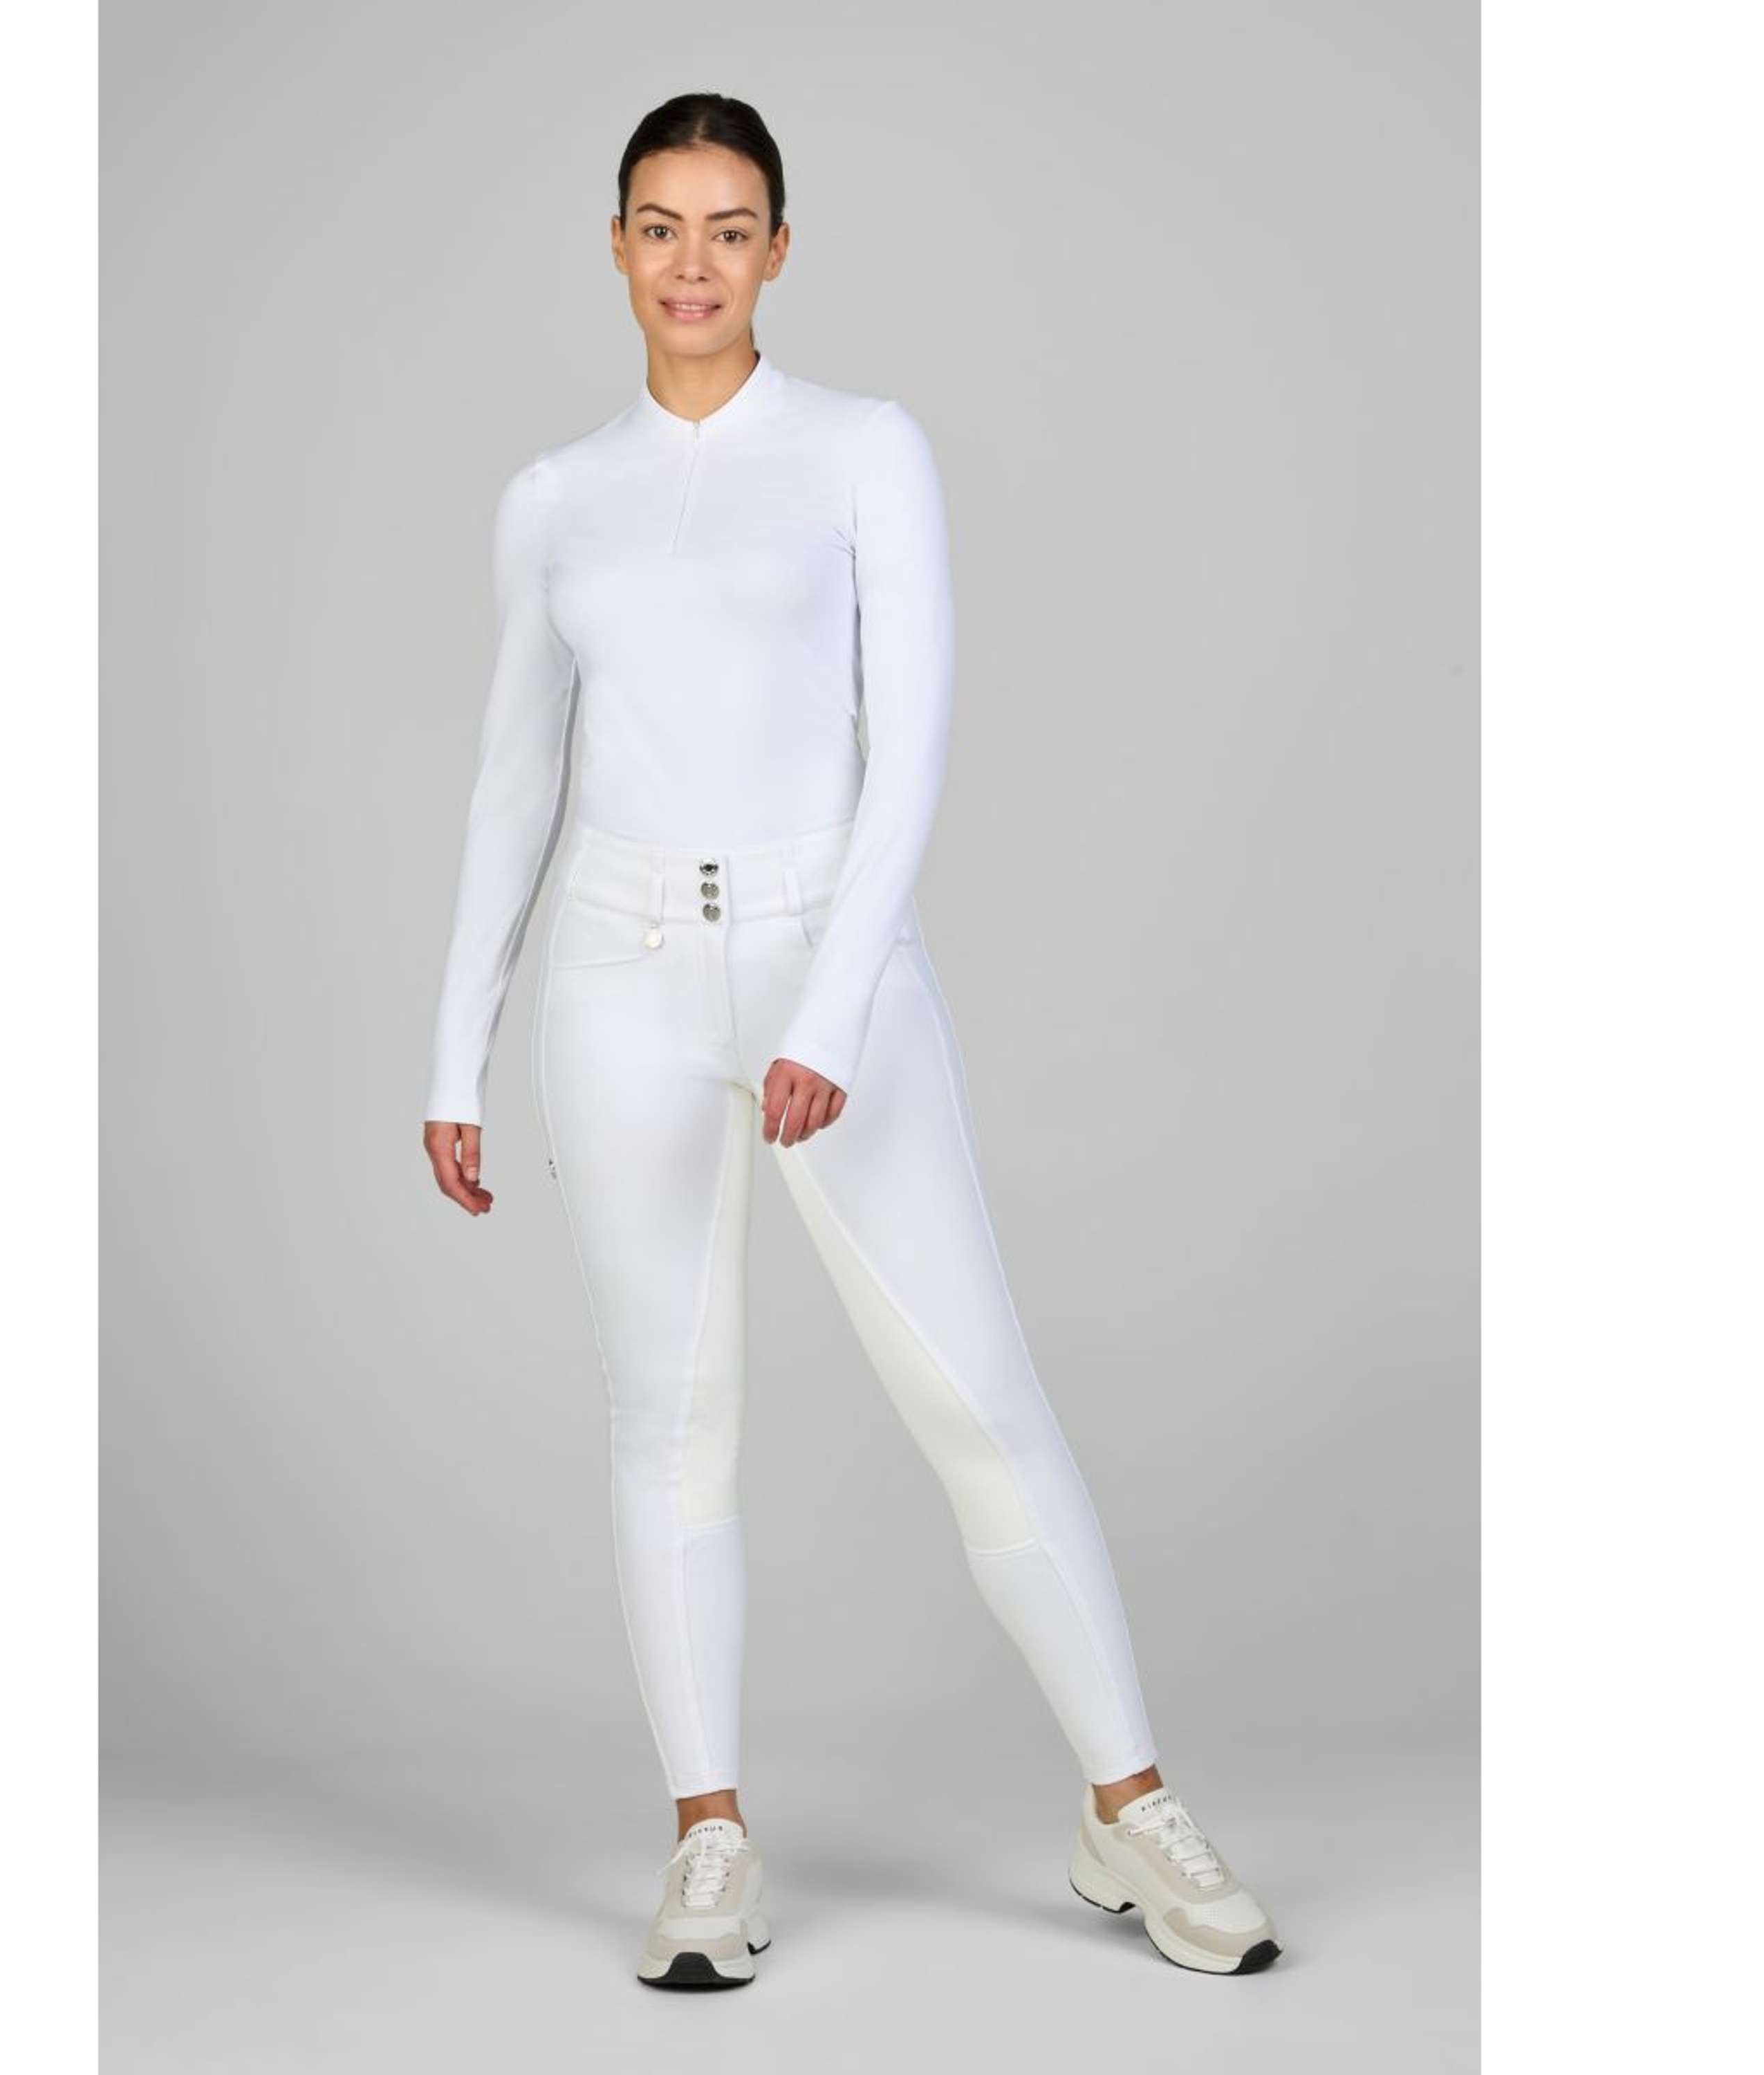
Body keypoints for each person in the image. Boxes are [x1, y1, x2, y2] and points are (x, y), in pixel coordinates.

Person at [422, 92, 1281, 1989]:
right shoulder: (554, 499)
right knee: (670, 1417)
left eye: (730, 228)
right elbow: (512, 782)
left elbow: (915, 740)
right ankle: (708, 1838)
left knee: (977, 1396)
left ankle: (1131, 1807)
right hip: (617, 978)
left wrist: (829, 1009)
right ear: (618, 245)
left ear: (780, 250)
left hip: (832, 953)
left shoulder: (863, 451)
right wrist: (449, 1055)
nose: (695, 264)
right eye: (662, 227)